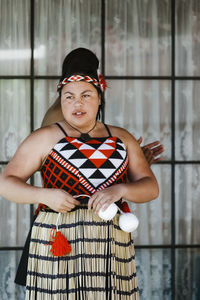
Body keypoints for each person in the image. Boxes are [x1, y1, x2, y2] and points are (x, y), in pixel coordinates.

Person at [0, 48, 159, 299]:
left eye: (86, 95)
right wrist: (46, 195)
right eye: (69, 97)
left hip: (109, 240)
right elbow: (6, 183)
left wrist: (121, 189)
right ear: (61, 99)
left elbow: (150, 187)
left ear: (99, 98)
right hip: (59, 237)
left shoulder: (122, 137)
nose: (77, 103)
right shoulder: (44, 138)